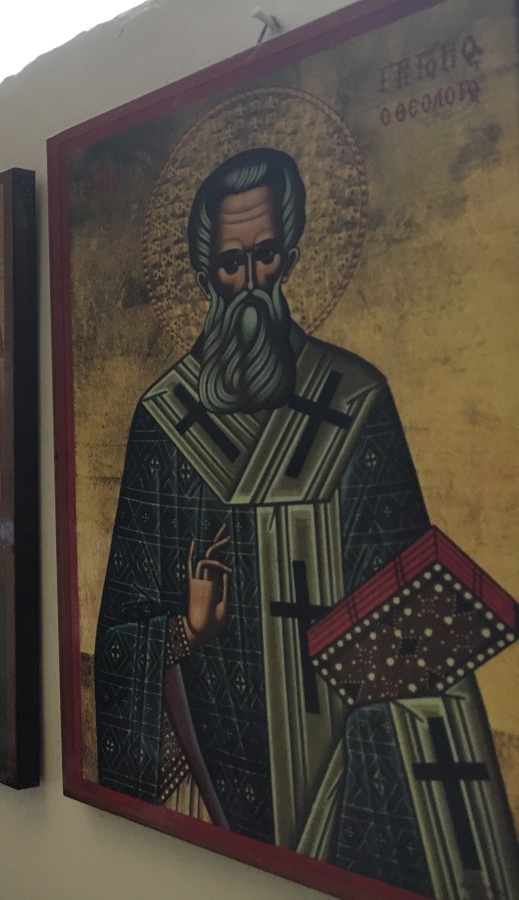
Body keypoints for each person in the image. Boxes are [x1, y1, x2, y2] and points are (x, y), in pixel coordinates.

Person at [93, 148, 518, 896]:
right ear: (205, 274)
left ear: (289, 256)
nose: (251, 283)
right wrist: (185, 630)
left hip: (347, 769)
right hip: (214, 773)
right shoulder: (164, 421)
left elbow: (411, 612)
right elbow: (120, 629)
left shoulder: (355, 399)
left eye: (265, 256)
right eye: (232, 264)